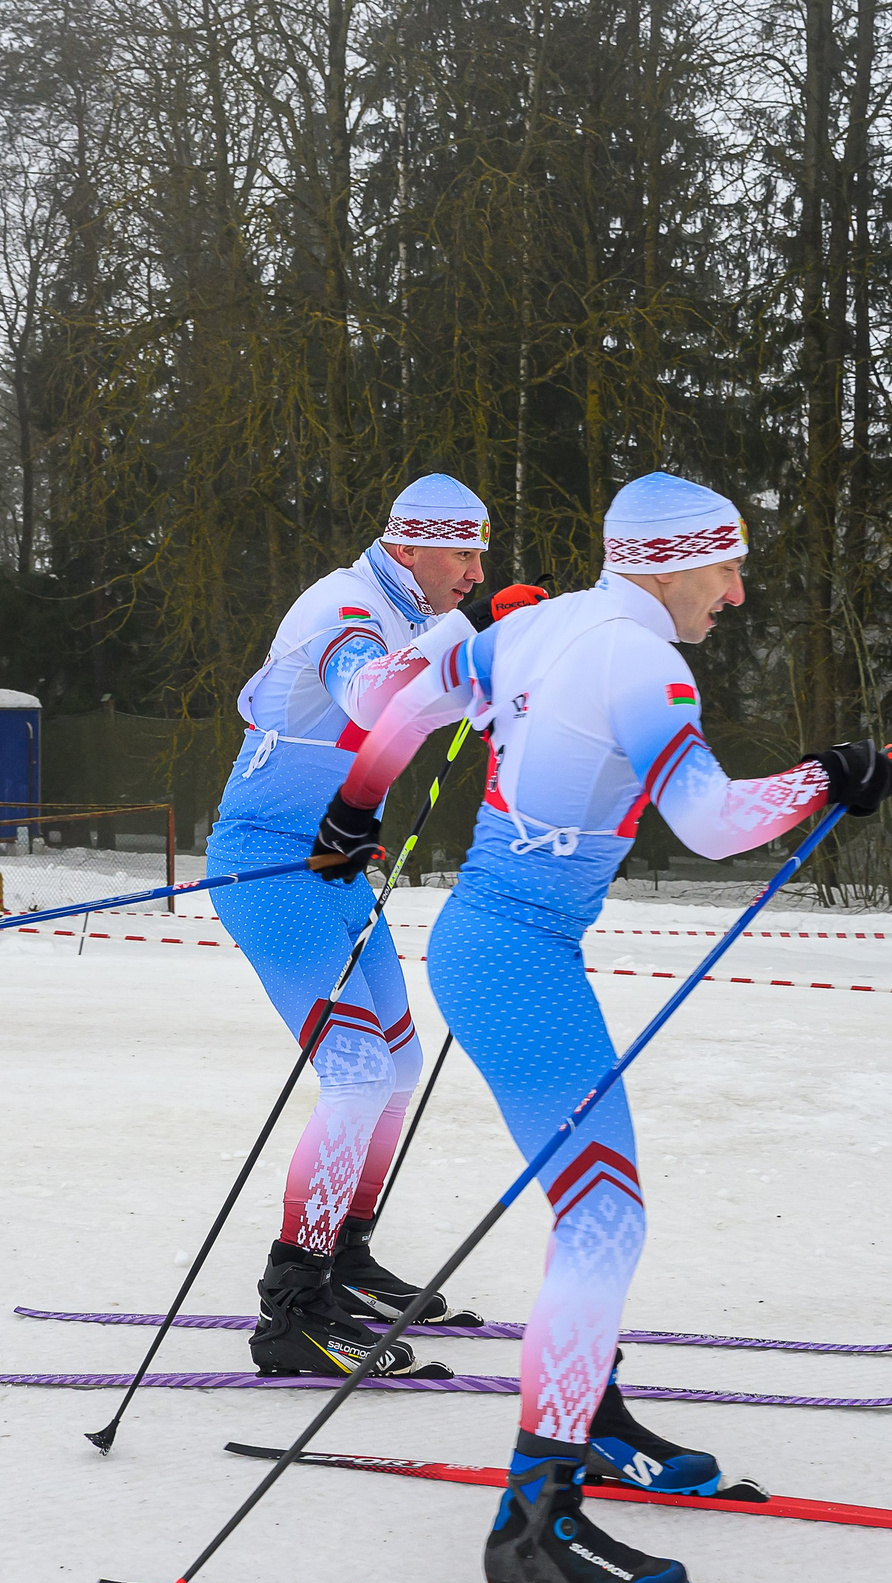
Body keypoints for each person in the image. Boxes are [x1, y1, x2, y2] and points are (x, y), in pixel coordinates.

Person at [307, 471, 892, 1583]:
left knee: (593, 1210)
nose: (733, 595)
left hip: (500, 945)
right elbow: (714, 824)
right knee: (602, 1224)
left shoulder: (540, 624)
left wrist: (353, 810)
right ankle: (536, 1521)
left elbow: (411, 701)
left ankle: (599, 1417)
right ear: (673, 561)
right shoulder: (641, 662)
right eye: (725, 569)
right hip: (516, 957)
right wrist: (831, 774)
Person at [207, 474, 491, 1378]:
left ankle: (346, 1260)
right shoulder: (348, 609)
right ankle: (290, 1308)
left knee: (396, 1064)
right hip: (267, 863)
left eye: (481, 553)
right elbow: (375, 698)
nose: (475, 573)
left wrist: (510, 663)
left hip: (331, 863)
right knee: (358, 1071)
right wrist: (469, 646)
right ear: (408, 546)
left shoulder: (405, 608)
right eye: (462, 552)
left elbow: (453, 702)